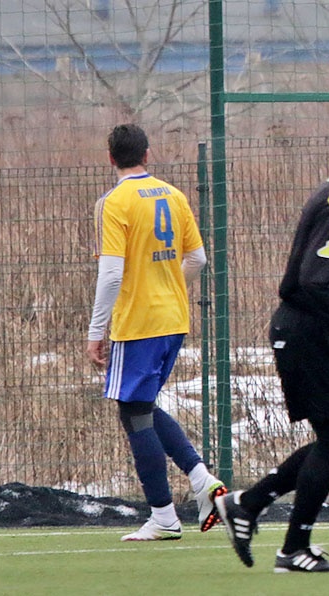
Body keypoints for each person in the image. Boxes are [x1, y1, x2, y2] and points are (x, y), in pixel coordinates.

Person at [216, 115, 329, 572]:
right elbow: (310, 283)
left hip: (308, 330)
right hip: (306, 332)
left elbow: (315, 276)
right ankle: (291, 546)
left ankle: (248, 506)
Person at [86, 123, 227, 541]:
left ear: (111, 158)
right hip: (173, 319)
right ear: (147, 154)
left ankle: (167, 513)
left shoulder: (114, 202)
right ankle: (196, 484)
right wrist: (169, 287)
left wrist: (96, 330)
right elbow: (198, 258)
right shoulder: (173, 194)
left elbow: (111, 274)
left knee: (133, 410)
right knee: (140, 407)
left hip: (140, 321)